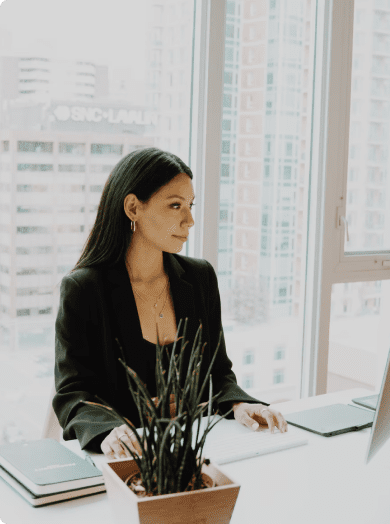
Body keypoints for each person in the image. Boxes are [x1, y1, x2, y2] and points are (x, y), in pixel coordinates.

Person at [53, 147, 288, 460]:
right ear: (133, 207)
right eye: (175, 206)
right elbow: (73, 392)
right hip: (127, 457)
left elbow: (218, 372)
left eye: (190, 206)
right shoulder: (84, 289)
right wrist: (110, 429)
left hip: (198, 450)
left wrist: (238, 404)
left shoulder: (200, 277)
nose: (189, 220)